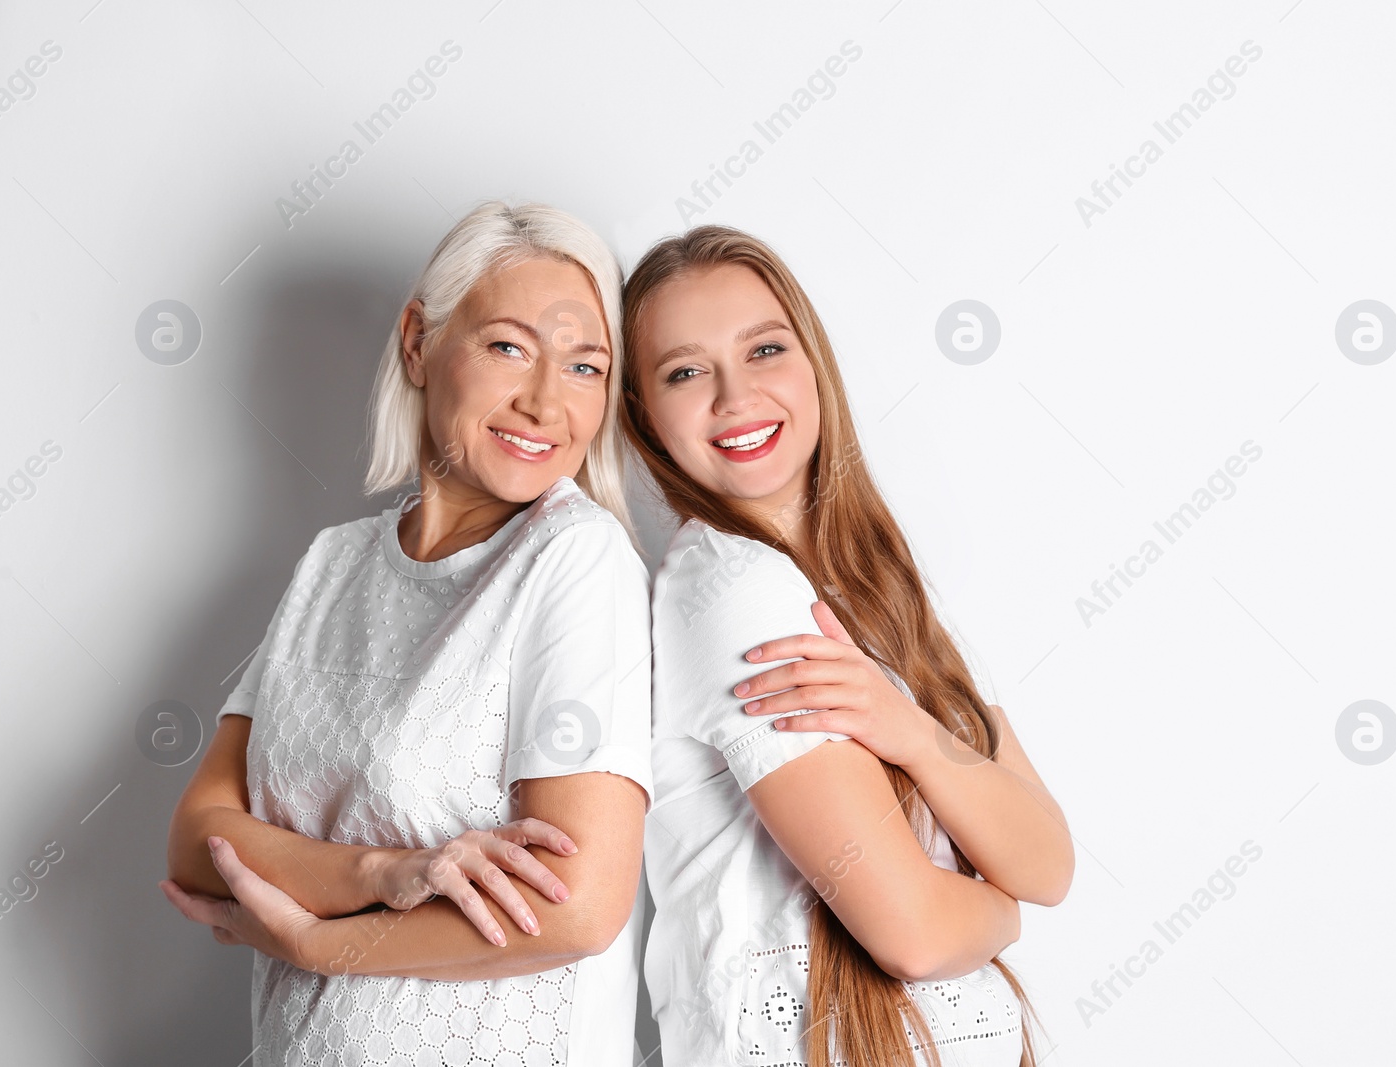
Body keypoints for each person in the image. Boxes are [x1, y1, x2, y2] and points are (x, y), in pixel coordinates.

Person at [161, 201, 654, 1067]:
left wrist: (315, 940)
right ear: (420, 343)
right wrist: (383, 876)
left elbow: (577, 906)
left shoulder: (576, 559)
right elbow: (199, 839)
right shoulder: (332, 564)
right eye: (509, 347)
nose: (545, 401)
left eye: (586, 366)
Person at [621, 225, 1074, 1066]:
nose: (734, 395)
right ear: (644, 417)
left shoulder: (877, 589)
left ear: (813, 363)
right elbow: (914, 933)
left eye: (764, 349)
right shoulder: (732, 590)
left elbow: (1047, 860)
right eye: (685, 371)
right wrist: (997, 910)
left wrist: (912, 734)